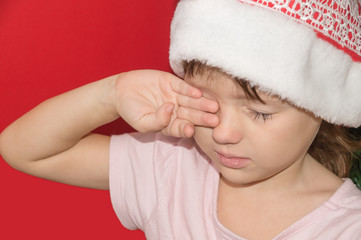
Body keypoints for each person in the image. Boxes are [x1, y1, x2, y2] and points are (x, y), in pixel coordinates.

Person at [1, 0, 361, 239]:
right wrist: (110, 95)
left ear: (321, 108)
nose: (223, 132)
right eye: (205, 99)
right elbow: (23, 150)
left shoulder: (347, 227)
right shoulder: (170, 166)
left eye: (259, 112)